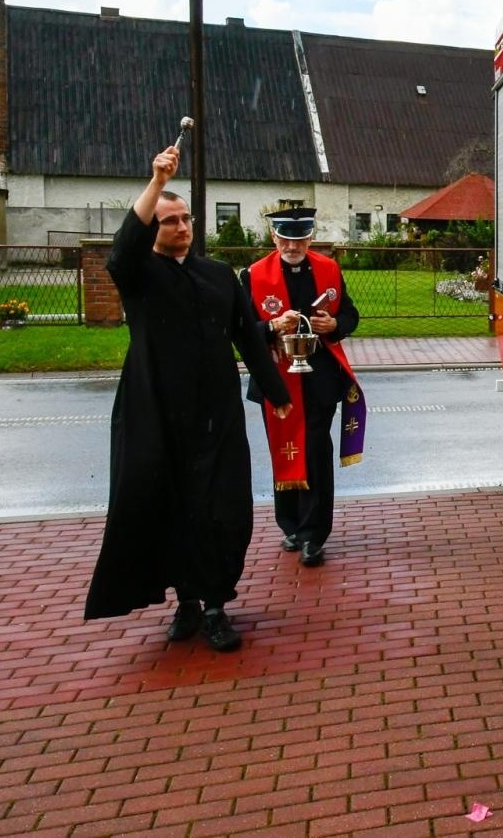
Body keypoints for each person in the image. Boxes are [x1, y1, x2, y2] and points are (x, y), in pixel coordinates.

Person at [84, 144, 293, 652]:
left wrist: (276, 391)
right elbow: (121, 250)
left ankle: (217, 603)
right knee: (172, 508)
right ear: (154, 230)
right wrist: (156, 180)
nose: (181, 227)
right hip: (159, 412)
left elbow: (246, 333)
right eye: (169, 221)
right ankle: (187, 604)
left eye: (185, 219)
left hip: (217, 413)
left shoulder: (218, 275)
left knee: (224, 508)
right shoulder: (139, 276)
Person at [241, 207, 365, 568]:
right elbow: (241, 328)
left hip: (320, 379)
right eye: (285, 238)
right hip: (275, 377)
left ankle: (314, 534)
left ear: (310, 238)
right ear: (273, 237)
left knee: (314, 451)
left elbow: (352, 315)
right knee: (284, 446)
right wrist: (271, 327)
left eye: (300, 239)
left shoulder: (329, 270)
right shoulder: (252, 275)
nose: (292, 245)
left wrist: (335, 325)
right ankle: (291, 525)